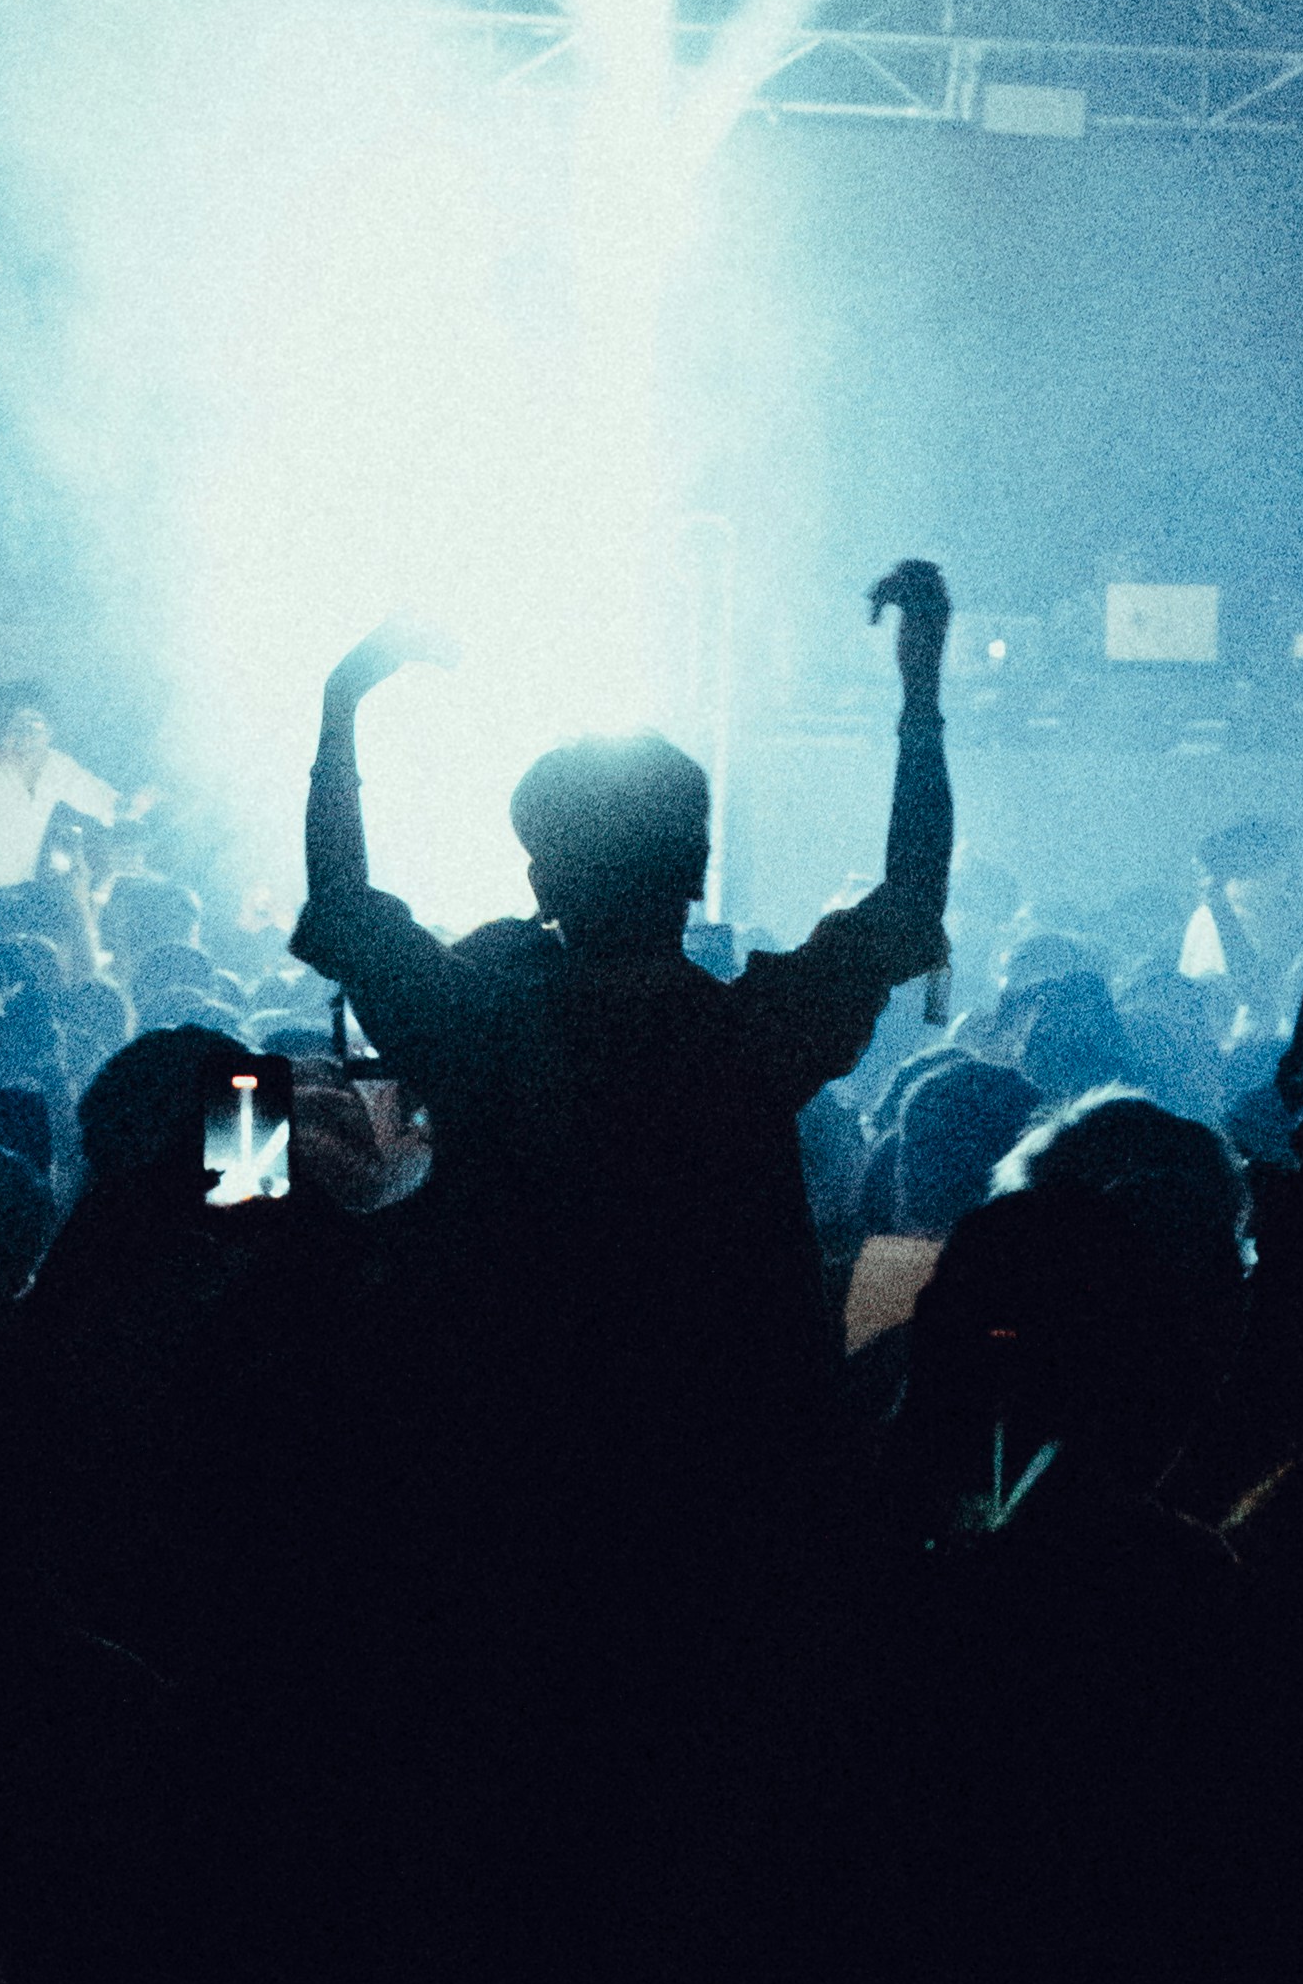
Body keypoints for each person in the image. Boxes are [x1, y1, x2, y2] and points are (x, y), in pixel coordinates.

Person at [294, 557, 956, 1449]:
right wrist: (921, 690)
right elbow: (912, 896)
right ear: (695, 873)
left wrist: (343, 704)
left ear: (540, 879)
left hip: (515, 1482)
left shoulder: (480, 1032)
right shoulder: (754, 1035)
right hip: (733, 1489)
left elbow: (343, 903)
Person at [0, 659, 149, 912]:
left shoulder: (58, 768)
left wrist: (139, 804)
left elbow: (109, 805)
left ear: (50, 731)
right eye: (15, 725)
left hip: (17, 906)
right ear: (4, 730)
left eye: (33, 724)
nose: (24, 734)